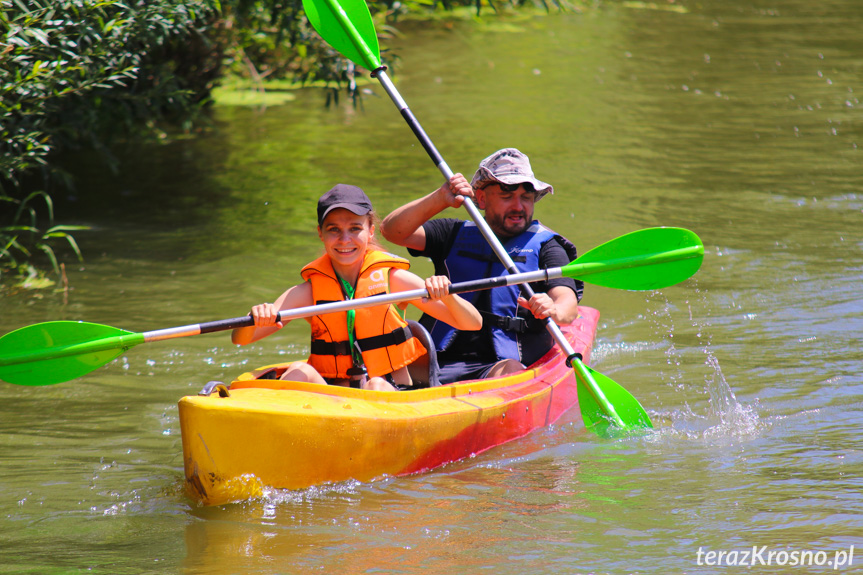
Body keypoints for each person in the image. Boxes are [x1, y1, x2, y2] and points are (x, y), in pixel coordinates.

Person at [232, 184, 482, 391]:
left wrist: (448, 296)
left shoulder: (394, 280)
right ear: (321, 234)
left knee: (375, 386)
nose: (344, 240)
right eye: (334, 230)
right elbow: (240, 340)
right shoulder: (308, 292)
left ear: (371, 231)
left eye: (355, 229)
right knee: (300, 371)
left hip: (389, 392)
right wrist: (255, 319)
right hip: (334, 397)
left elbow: (472, 323)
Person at [380, 148, 583, 384]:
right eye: (507, 196)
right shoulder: (452, 233)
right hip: (434, 359)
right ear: (482, 199)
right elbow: (392, 231)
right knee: (386, 371)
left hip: (500, 367)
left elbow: (569, 307)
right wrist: (440, 198)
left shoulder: (548, 246)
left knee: (511, 371)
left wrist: (553, 309)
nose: (518, 206)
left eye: (526, 197)